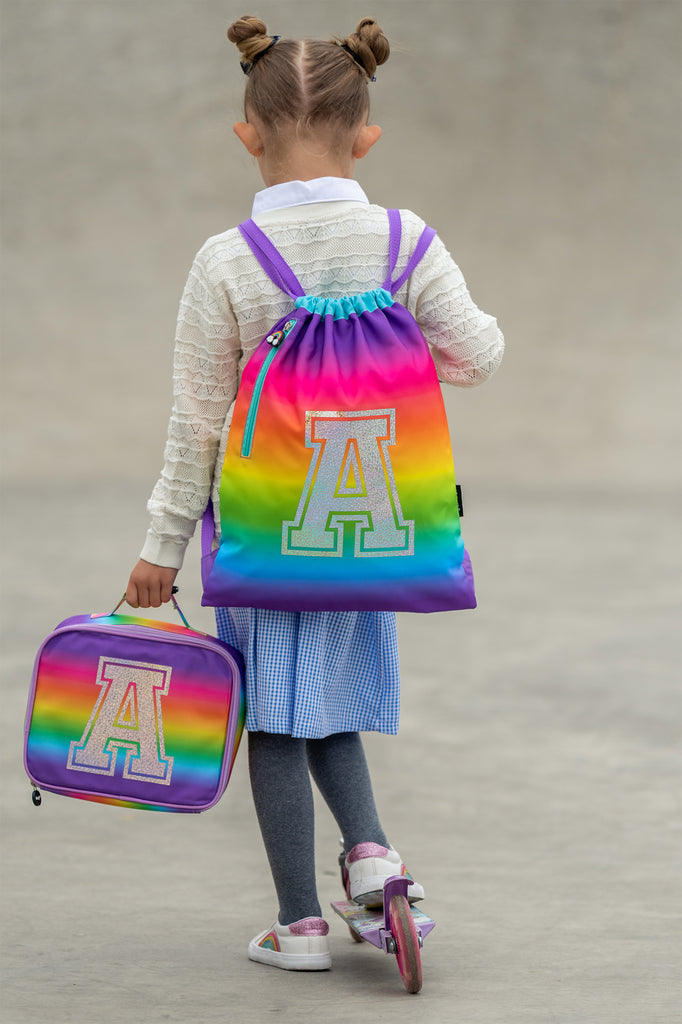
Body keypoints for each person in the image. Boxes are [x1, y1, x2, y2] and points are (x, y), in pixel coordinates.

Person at [126, 15, 504, 972]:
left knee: (275, 724)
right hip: (371, 534)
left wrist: (161, 547)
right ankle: (373, 862)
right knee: (327, 707)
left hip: (264, 535)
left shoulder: (228, 262)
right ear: (367, 133)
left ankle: (299, 925)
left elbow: (198, 424)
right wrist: (387, 341)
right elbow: (479, 356)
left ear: (246, 132)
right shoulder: (406, 241)